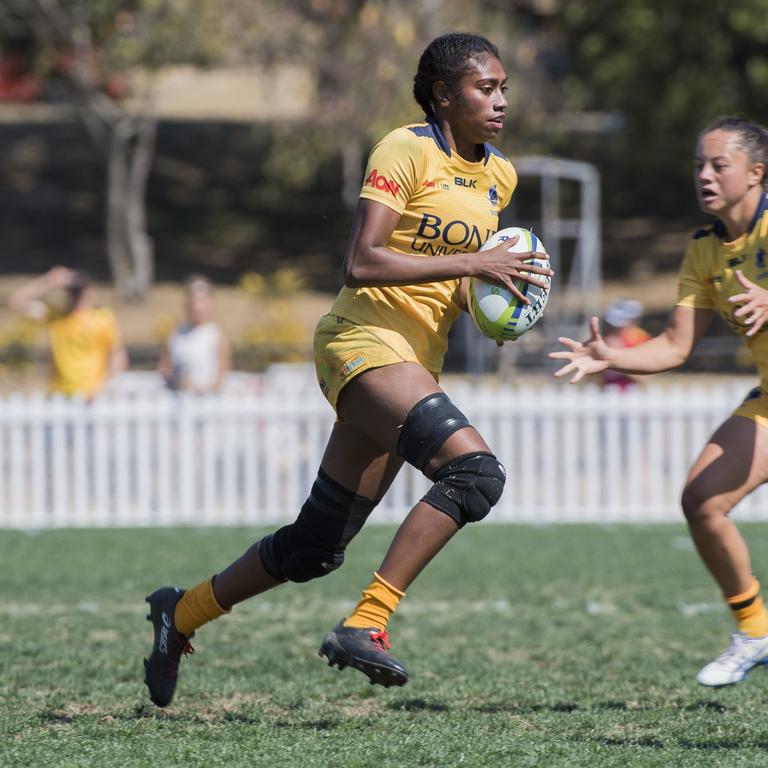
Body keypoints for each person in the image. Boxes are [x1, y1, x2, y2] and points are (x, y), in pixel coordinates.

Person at [142, 31, 553, 708]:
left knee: (314, 547)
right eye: (486, 87)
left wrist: (495, 306)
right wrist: (475, 265)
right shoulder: (406, 148)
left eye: (504, 86)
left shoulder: (498, 175)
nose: (501, 99)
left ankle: (178, 614)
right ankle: (367, 621)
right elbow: (362, 261)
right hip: (360, 341)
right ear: (445, 96)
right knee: (475, 475)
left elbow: (452, 281)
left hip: (414, 361)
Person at [549, 115, 768, 687]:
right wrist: (610, 357)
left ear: (756, 173)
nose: (705, 175)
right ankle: (755, 630)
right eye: (699, 164)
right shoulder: (703, 251)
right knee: (701, 501)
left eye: (719, 165)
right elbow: (674, 346)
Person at [8, 265, 127, 399]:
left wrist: (104, 388)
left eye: (78, 292)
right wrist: (48, 281)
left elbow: (117, 355)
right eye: (71, 292)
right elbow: (16, 301)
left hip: (91, 396)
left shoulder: (102, 318)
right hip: (60, 394)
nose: (75, 296)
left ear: (89, 291)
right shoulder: (55, 317)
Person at [158, 274, 231, 394]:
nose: (197, 307)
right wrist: (175, 382)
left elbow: (222, 374)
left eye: (202, 301)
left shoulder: (216, 335)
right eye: (194, 301)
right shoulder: (176, 335)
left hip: (207, 403)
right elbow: (164, 367)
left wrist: (201, 390)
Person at [599, 299, 651, 390]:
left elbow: (644, 379)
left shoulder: (640, 340)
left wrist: (619, 356)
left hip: (631, 395)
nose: (615, 328)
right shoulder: (605, 340)